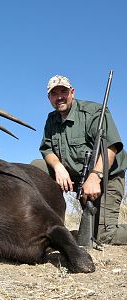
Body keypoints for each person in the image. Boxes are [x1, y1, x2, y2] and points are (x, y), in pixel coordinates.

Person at [31, 75, 127, 245]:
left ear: (72, 92)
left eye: (64, 91)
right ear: (49, 98)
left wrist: (94, 177)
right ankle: (48, 225)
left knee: (104, 235)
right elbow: (46, 149)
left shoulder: (94, 112)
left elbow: (111, 148)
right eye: (54, 93)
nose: (60, 96)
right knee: (36, 167)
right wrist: (58, 167)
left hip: (107, 176)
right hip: (76, 177)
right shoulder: (51, 119)